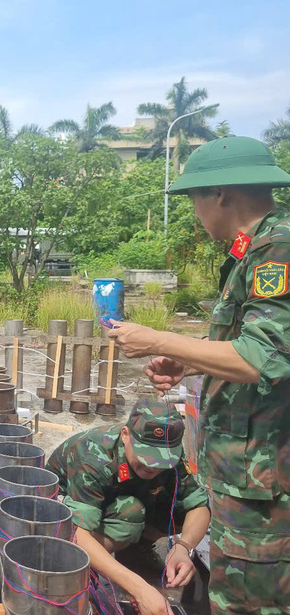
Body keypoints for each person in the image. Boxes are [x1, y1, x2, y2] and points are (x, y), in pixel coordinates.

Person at [107, 136, 290, 614]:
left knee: (252, 603)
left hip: (266, 485)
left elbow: (263, 358)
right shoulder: (250, 250)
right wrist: (190, 363)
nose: (195, 213)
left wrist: (159, 340)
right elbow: (252, 346)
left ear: (220, 194)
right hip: (243, 477)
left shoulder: (278, 248)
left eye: (194, 200)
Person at [46, 400, 210, 615]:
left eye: (161, 460)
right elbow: (79, 534)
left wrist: (183, 547)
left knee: (178, 511)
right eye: (146, 455)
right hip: (65, 516)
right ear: (125, 434)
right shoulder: (94, 456)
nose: (152, 466)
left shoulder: (170, 456)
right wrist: (139, 589)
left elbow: (199, 505)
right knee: (130, 514)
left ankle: (135, 551)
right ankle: (82, 566)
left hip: (116, 500)